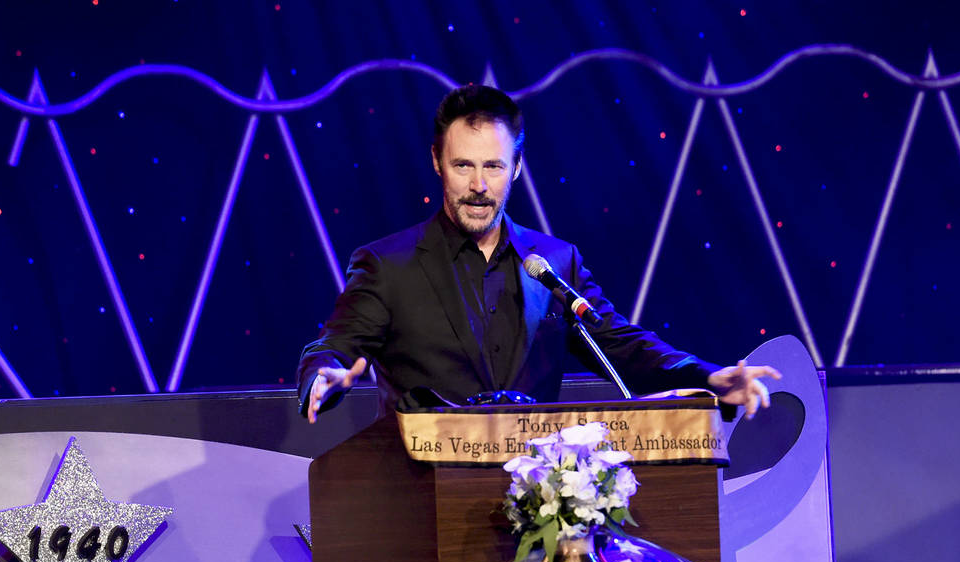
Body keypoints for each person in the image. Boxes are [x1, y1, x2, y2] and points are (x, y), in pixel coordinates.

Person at [297, 85, 780, 422]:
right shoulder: (388, 265)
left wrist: (710, 378)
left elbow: (620, 345)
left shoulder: (555, 263)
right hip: (424, 500)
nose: (479, 185)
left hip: (534, 502)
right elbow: (333, 347)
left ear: (516, 168)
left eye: (493, 166)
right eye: (463, 165)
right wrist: (324, 377)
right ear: (437, 163)